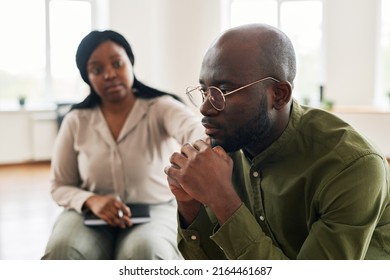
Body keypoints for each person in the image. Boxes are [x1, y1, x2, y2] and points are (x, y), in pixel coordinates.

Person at [164, 23, 390, 260]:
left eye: (223, 91)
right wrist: (189, 205)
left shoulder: (351, 166)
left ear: (279, 95)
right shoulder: (223, 148)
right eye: (205, 90)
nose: (205, 107)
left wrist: (224, 201)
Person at [42, 30, 205, 260]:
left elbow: (195, 130)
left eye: (117, 63)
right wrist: (91, 200)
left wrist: (208, 142)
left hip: (155, 209)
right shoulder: (76, 120)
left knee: (146, 252)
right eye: (97, 70)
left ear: (130, 63)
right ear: (87, 77)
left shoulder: (160, 107)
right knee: (62, 250)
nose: (109, 74)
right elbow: (60, 186)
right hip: (90, 214)